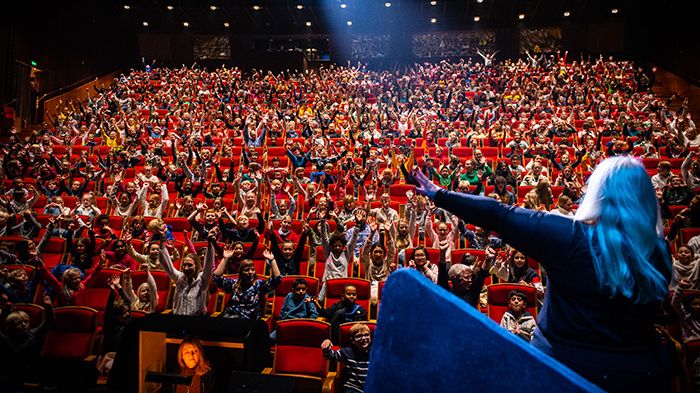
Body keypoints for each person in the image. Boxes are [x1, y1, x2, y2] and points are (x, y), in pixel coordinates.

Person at [411, 156, 675, 392]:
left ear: (599, 193)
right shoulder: (659, 251)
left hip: (564, 372)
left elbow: (498, 214)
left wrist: (439, 194)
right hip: (642, 375)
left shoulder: (571, 237)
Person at [159, 228, 216, 316]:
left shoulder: (202, 279)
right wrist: (162, 243)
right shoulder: (179, 277)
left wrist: (210, 243)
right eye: (184, 265)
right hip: (178, 319)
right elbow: (166, 264)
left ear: (196, 266)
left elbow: (209, 264)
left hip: (196, 321)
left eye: (190, 265)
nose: (186, 268)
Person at [213, 249, 281, 319]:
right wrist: (225, 259)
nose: (250, 272)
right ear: (241, 272)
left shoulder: (259, 285)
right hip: (231, 319)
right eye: (246, 270)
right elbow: (216, 278)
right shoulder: (234, 284)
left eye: (253, 269)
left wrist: (272, 260)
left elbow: (277, 279)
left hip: (249, 321)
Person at [321, 323, 372, 393]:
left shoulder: (375, 353)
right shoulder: (348, 352)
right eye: (359, 336)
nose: (363, 338)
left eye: (366, 335)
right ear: (352, 340)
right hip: (353, 388)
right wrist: (327, 344)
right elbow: (330, 356)